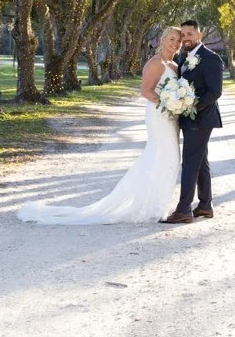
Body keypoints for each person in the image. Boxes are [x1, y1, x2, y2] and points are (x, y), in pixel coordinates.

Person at [16, 26, 182, 225]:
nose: (175, 43)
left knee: (169, 158)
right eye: (172, 39)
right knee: (162, 156)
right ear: (162, 40)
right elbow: (145, 91)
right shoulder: (155, 63)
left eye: (178, 41)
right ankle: (149, 208)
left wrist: (177, 104)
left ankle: (155, 205)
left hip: (170, 117)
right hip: (159, 115)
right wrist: (168, 104)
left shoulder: (173, 65)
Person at [160, 20, 224, 224]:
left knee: (190, 162)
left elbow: (215, 91)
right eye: (183, 35)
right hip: (188, 117)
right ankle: (205, 205)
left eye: (190, 34)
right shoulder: (183, 58)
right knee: (200, 161)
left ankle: (184, 209)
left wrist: (191, 107)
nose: (186, 38)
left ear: (199, 35)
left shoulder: (210, 58)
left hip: (201, 118)